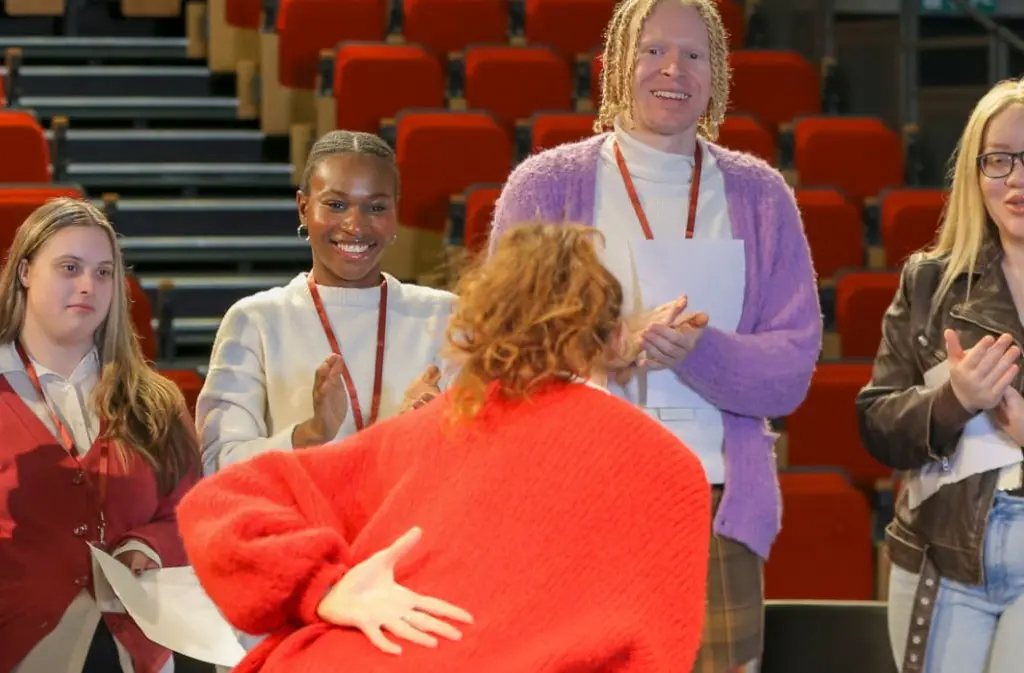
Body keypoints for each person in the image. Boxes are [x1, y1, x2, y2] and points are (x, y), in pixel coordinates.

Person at [176, 222, 712, 673]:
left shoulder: (432, 427)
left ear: (483, 327)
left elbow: (217, 504)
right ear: (618, 337)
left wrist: (322, 587)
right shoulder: (670, 470)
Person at [488, 1, 822, 670]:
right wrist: (603, 348)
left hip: (716, 504)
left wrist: (706, 353)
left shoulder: (760, 195)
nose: (674, 69)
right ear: (618, 63)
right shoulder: (546, 186)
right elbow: (501, 349)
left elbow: (791, 368)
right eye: (653, 51)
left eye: (695, 55)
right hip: (579, 501)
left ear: (716, 73)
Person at [856, 78, 1024, 673]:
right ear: (976, 173)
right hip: (940, 556)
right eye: (999, 159)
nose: (1017, 179)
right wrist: (955, 401)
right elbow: (877, 425)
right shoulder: (929, 282)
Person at [0, 198, 200, 673]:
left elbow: (191, 512)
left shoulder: (155, 401)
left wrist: (146, 545)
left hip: (140, 649)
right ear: (25, 271)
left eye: (104, 272)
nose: (88, 285)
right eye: (69, 267)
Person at [196, 130, 454, 475]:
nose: (355, 225)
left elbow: (486, 459)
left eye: (375, 207)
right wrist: (311, 433)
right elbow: (216, 465)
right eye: (336, 204)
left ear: (395, 215)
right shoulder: (255, 320)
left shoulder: (446, 316)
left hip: (412, 524)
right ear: (304, 208)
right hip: (294, 524)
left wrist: (434, 431)